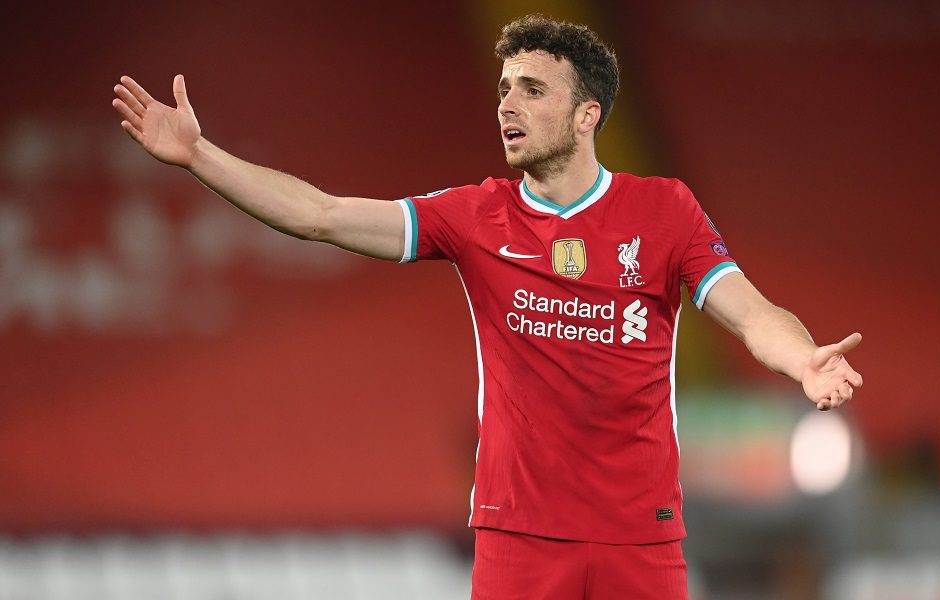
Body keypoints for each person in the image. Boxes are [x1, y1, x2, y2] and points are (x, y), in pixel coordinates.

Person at [112, 14, 863, 600]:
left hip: (641, 537)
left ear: (587, 115)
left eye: (532, 90)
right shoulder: (475, 216)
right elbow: (322, 215)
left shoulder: (664, 210)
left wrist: (803, 358)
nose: (507, 103)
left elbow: (751, 312)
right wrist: (201, 156)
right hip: (518, 538)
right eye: (504, 87)